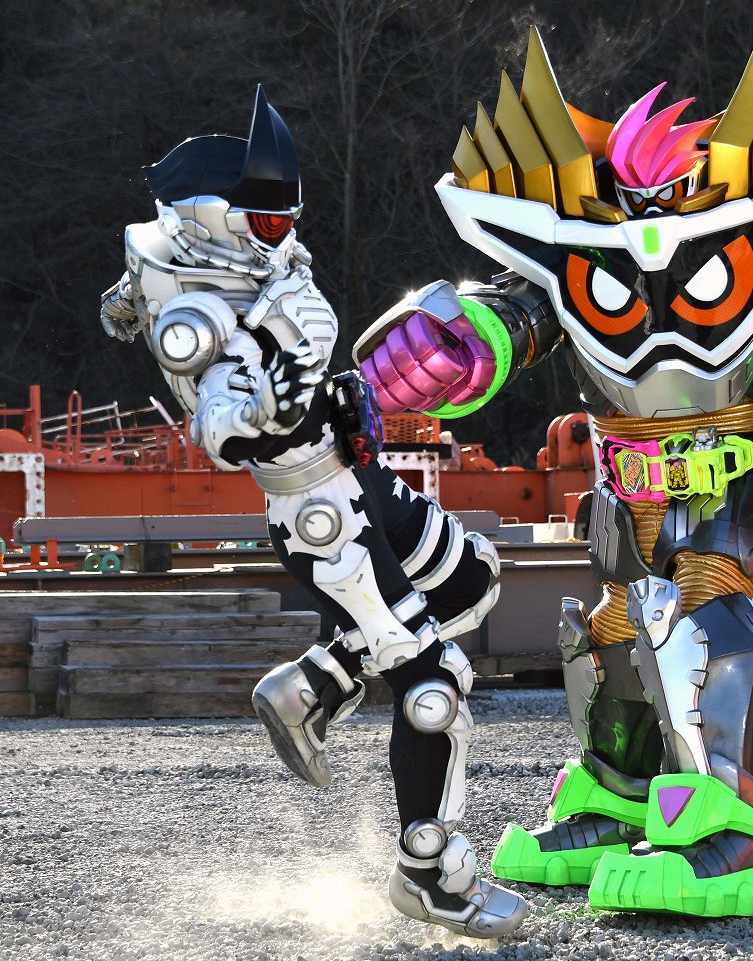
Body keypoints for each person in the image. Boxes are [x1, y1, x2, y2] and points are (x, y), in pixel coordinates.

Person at [352, 0, 753, 916]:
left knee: (705, 618)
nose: (654, 224)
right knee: (612, 632)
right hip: (623, 486)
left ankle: (742, 833)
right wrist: (454, 341)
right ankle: (617, 801)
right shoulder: (591, 252)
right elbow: (519, 312)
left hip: (734, 473)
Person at [100, 85, 526, 938]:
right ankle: (430, 872)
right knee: (434, 680)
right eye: (264, 223)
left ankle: (314, 685)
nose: (282, 236)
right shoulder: (198, 311)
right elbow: (217, 423)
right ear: (212, 221)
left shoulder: (203, 267)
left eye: (285, 220)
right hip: (317, 511)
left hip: (350, 471)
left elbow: (118, 307)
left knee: (469, 577)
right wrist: (263, 400)